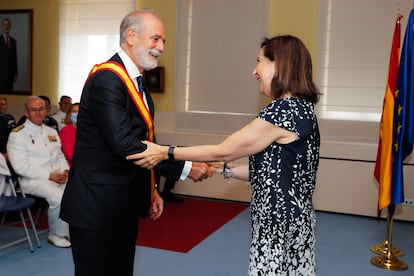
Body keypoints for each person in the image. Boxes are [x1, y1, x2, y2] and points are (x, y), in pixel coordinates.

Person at [128, 35, 321, 275]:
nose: (254, 71)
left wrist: (164, 152)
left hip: (276, 227)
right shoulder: (303, 109)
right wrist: (220, 168)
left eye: (259, 61)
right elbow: (272, 173)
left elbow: (225, 149)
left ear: (278, 64)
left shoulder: (282, 110)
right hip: (297, 221)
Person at [60, 10, 213, 276]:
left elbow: (146, 141)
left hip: (122, 203)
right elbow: (127, 145)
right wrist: (186, 168)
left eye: (163, 41)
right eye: (155, 39)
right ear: (131, 36)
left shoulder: (136, 82)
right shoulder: (107, 79)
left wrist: (151, 187)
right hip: (96, 208)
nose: (161, 47)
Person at [7, 96, 71, 248]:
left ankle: (68, 230)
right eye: (33, 110)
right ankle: (56, 234)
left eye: (41, 109)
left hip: (56, 177)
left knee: (75, 191)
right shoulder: (17, 135)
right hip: (31, 180)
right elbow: (20, 167)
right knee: (59, 198)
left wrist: (65, 171)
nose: (38, 113)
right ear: (26, 112)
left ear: (46, 110)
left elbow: (59, 156)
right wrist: (50, 176)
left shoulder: (51, 132)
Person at [59, 103, 79, 167]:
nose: (77, 114)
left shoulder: (88, 130)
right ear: (69, 114)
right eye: (74, 112)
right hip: (73, 168)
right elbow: (70, 155)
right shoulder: (65, 131)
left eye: (80, 111)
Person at [0, 18, 17, 92]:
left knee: (10, 92)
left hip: (10, 75)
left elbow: (14, 58)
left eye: (8, 24)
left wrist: (15, 73)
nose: (6, 26)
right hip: (1, 75)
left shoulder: (13, 41)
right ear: (2, 26)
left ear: (10, 26)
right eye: (5, 25)